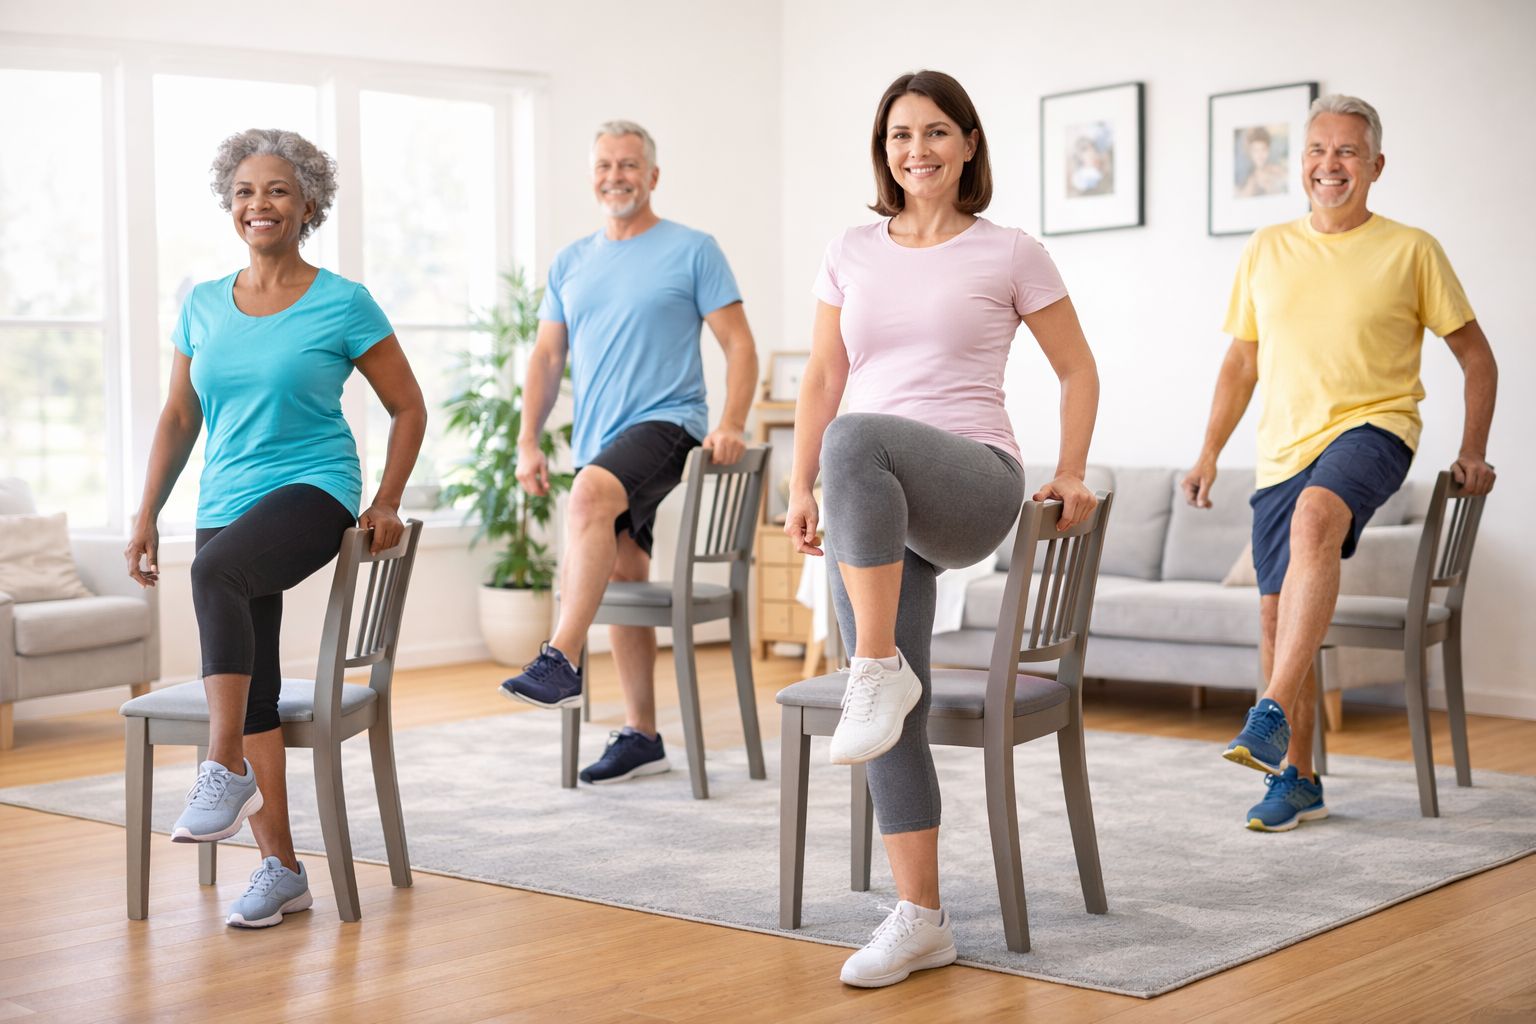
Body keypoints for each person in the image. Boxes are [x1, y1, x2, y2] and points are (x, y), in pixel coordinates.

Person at [786, 71, 1099, 987]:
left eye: (932, 133)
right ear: (882, 152)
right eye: (896, 136)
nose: (914, 150)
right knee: (890, 719)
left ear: (967, 143)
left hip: (971, 482)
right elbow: (820, 374)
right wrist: (803, 485)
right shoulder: (850, 248)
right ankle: (920, 918)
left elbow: (1078, 370)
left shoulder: (1009, 252)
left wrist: (1070, 467)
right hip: (868, 498)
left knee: (857, 442)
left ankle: (873, 669)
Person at [125, 129, 426, 927]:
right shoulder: (201, 304)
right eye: (245, 193)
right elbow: (180, 415)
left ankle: (221, 768)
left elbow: (408, 406)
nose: (260, 205)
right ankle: (283, 869)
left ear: (310, 206)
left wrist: (387, 497)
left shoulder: (343, 301)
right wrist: (146, 511)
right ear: (232, 207)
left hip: (314, 487)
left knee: (215, 574)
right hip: (225, 499)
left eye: (279, 192)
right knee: (251, 686)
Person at [1183, 94, 1498, 832]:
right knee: (1274, 617)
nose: (1331, 165)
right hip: (1280, 450)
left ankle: (1267, 715)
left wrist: (1473, 447)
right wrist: (1208, 452)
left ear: (1376, 165)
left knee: (1319, 516)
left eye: (1348, 152)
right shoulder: (1266, 247)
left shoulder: (1411, 249)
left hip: (1375, 428)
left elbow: (1476, 356)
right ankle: (1298, 780)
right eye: (1319, 151)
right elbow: (1241, 360)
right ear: (1302, 164)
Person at [500, 120, 759, 786]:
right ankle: (642, 732)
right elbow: (547, 355)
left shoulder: (693, 250)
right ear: (593, 175)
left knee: (587, 493)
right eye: (604, 165)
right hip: (601, 439)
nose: (615, 175)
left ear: (652, 176)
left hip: (669, 421)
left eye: (629, 165)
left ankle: (560, 657)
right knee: (620, 574)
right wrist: (528, 439)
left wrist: (730, 420)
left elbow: (738, 345)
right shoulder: (571, 261)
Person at [1236, 125, 1288, 197]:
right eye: (1256, 150)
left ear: (1268, 150)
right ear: (1250, 152)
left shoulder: (1278, 171)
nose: (1260, 155)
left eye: (1263, 149)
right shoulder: (1248, 179)